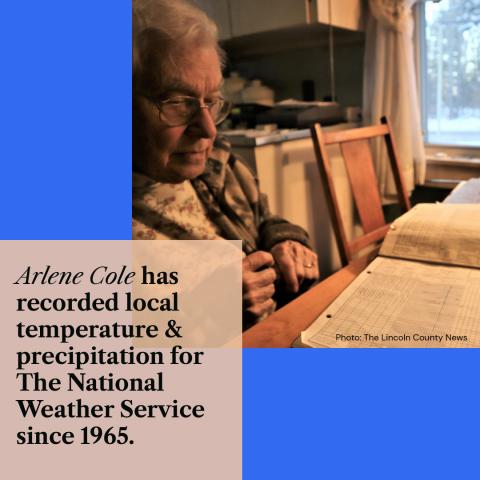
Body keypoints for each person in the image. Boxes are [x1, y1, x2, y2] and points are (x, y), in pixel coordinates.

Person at [132, 0, 319, 326]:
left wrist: (285, 242)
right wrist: (208, 313)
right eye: (177, 102)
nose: (208, 129)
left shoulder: (220, 164)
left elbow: (264, 220)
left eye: (212, 101)